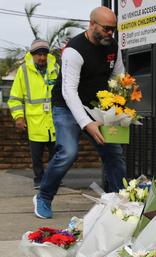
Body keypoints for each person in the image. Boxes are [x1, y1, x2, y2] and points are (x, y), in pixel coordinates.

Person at [34, 6, 126, 219]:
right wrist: (86, 123)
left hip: (96, 106)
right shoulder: (74, 50)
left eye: (113, 29)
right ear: (92, 24)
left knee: (114, 153)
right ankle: (44, 196)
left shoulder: (112, 46)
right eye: (106, 28)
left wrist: (120, 109)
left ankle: (120, 202)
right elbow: (69, 91)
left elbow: (119, 78)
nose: (110, 33)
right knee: (68, 152)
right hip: (66, 106)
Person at [8, 39, 59, 189]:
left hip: (54, 120)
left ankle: (53, 179)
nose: (42, 57)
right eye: (38, 54)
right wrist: (18, 117)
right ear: (32, 55)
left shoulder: (56, 68)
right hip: (35, 122)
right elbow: (15, 97)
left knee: (56, 154)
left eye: (44, 54)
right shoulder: (23, 71)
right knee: (36, 156)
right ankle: (39, 179)